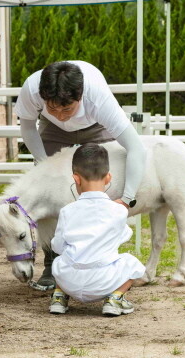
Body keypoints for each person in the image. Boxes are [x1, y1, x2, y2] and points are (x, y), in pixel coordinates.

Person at [15, 61, 146, 287]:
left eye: (67, 109)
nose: (62, 114)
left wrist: (126, 200)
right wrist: (44, 164)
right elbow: (27, 127)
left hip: (95, 126)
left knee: (97, 187)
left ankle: (103, 261)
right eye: (53, 107)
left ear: (80, 96)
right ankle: (51, 263)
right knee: (47, 193)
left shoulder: (98, 98)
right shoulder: (31, 89)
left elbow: (136, 147)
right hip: (52, 129)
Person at [48, 143, 146, 316]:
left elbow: (57, 246)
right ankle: (115, 298)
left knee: (61, 257)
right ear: (108, 178)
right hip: (103, 283)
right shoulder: (118, 210)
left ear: (76, 179)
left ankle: (59, 297)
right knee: (131, 262)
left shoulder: (67, 211)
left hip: (69, 281)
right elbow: (123, 236)